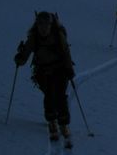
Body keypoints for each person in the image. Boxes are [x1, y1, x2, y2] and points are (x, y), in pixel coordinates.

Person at [13, 11, 75, 146]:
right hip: (43, 71)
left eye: (46, 25)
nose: (43, 28)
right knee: (49, 95)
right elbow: (26, 52)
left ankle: (63, 123)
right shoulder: (34, 37)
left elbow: (66, 52)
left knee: (59, 96)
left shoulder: (58, 36)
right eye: (41, 25)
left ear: (50, 25)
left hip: (60, 70)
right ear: (37, 24)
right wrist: (20, 59)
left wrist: (69, 69)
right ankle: (52, 121)